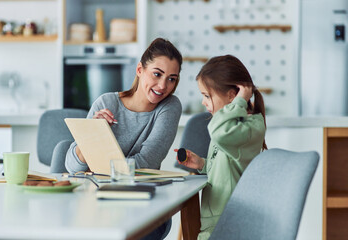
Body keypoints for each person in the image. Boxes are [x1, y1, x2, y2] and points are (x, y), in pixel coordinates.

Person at [65, 38, 183, 240]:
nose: (163, 85)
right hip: (95, 204)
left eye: (172, 79)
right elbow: (73, 167)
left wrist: (100, 166)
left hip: (143, 208)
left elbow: (147, 162)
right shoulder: (106, 102)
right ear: (139, 69)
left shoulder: (169, 107)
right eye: (157, 74)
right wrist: (93, 135)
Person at [176, 54, 267, 240]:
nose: (203, 102)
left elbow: (216, 130)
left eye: (207, 96)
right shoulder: (231, 126)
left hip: (228, 225)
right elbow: (228, 168)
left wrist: (240, 101)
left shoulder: (248, 128)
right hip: (216, 221)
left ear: (232, 95)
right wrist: (202, 164)